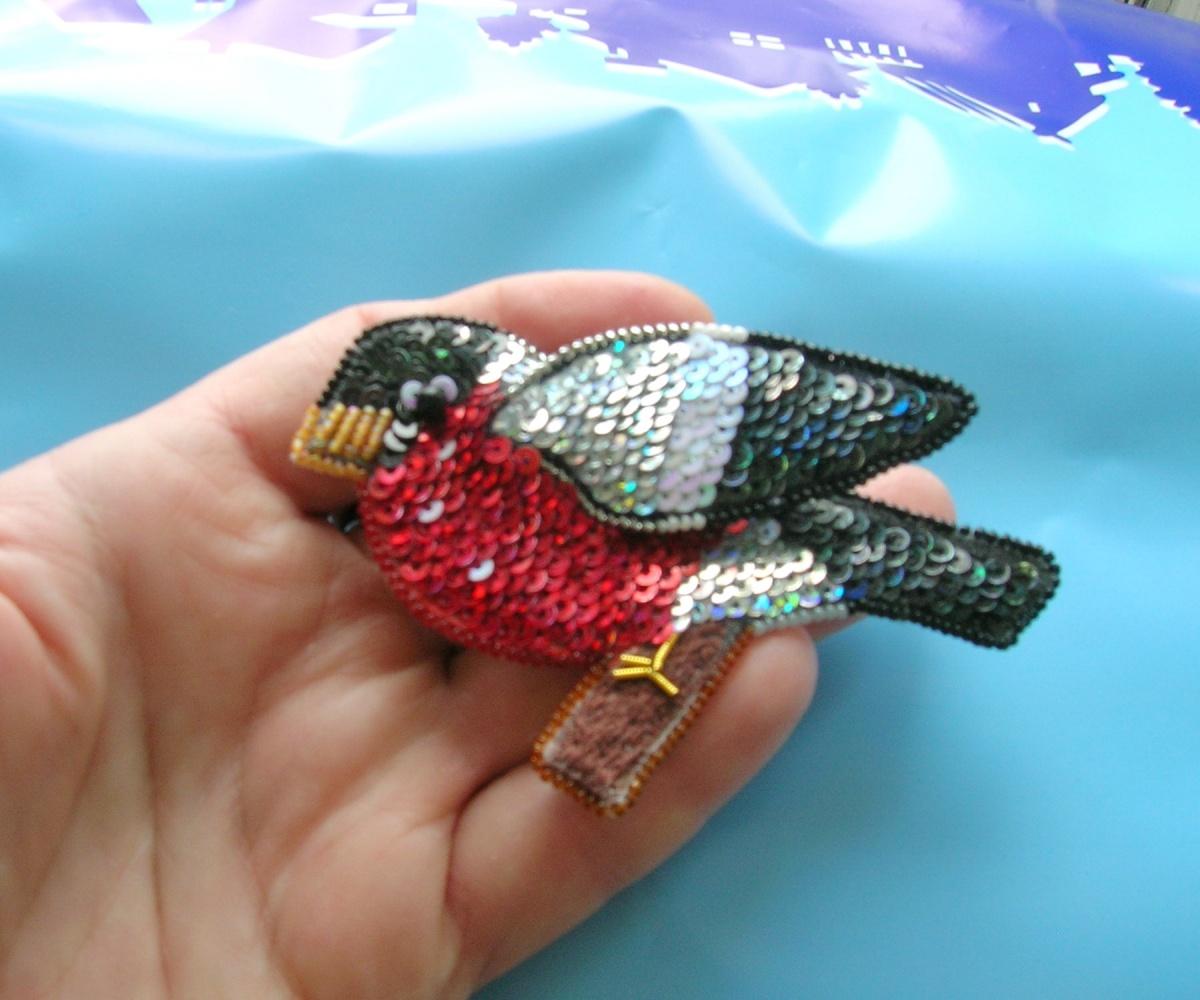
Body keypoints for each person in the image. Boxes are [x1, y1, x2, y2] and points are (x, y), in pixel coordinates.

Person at [0, 271, 951, 998]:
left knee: (894, 576)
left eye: (404, 426)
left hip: (691, 575)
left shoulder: (563, 427)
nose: (381, 457)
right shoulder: (407, 502)